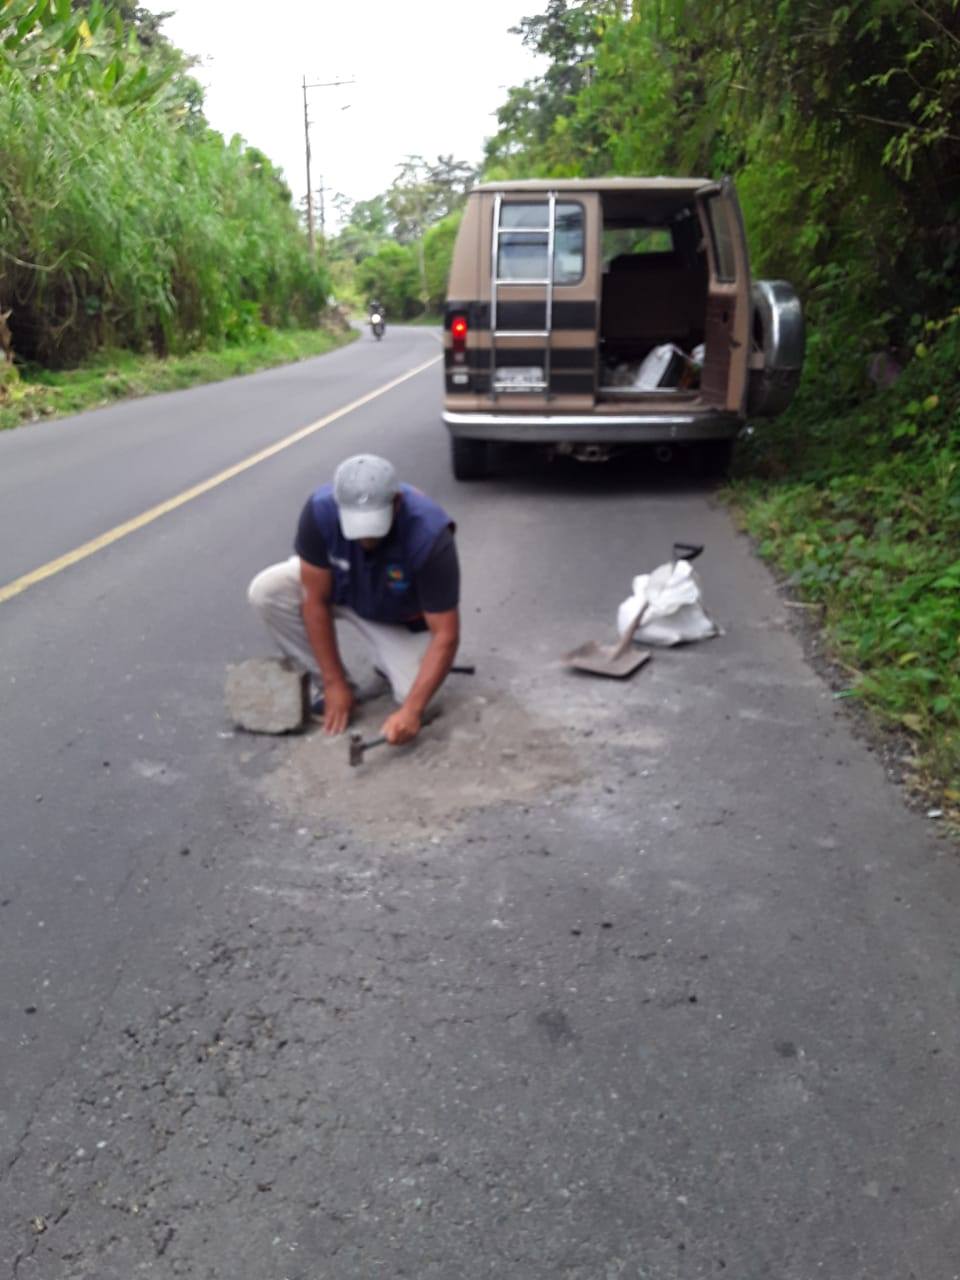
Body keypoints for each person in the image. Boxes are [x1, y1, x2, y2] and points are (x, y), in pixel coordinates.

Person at [248, 455, 460, 746]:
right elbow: (314, 601)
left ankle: (386, 663)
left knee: (423, 702)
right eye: (357, 527)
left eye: (374, 526)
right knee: (268, 591)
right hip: (342, 590)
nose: (365, 539)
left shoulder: (429, 535)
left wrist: (411, 710)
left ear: (397, 503)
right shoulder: (320, 512)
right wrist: (333, 682)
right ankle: (331, 688)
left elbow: (446, 634)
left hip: (397, 618)